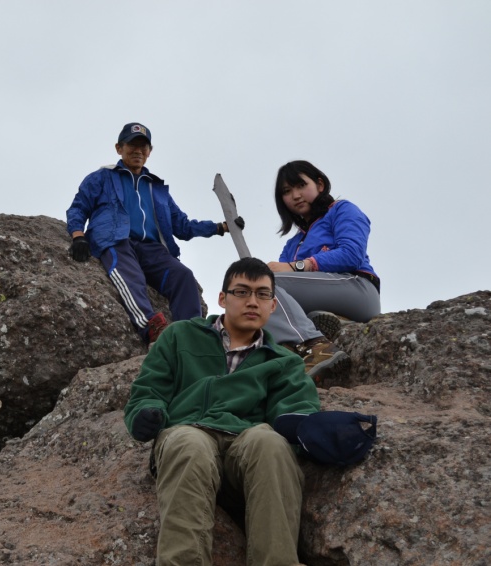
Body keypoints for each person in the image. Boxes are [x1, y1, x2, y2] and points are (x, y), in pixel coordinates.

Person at [124, 257, 320, 565]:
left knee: (271, 443)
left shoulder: (285, 361)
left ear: (273, 305)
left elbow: (296, 406)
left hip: (246, 450)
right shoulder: (179, 335)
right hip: (190, 432)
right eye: (241, 292)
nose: (252, 301)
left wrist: (303, 424)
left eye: (262, 294)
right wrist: (147, 412)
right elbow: (149, 389)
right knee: (189, 444)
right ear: (222, 298)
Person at [66, 122, 242, 344]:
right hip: (116, 240)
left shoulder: (156, 188)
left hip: (152, 248)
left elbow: (183, 226)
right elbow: (78, 207)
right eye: (132, 145)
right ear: (119, 148)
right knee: (132, 276)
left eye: (143, 146)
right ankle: (152, 327)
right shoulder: (102, 177)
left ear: (150, 151)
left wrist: (220, 228)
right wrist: (78, 236)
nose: (138, 151)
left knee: (183, 276)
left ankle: (191, 333)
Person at [264, 160, 380, 383]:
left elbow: (352, 253)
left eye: (300, 186)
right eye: (287, 192)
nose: (295, 195)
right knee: (261, 298)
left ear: (319, 184)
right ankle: (306, 339)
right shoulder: (293, 243)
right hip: (322, 299)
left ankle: (315, 348)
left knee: (267, 285)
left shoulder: (342, 210)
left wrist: (297, 266)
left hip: (358, 287)